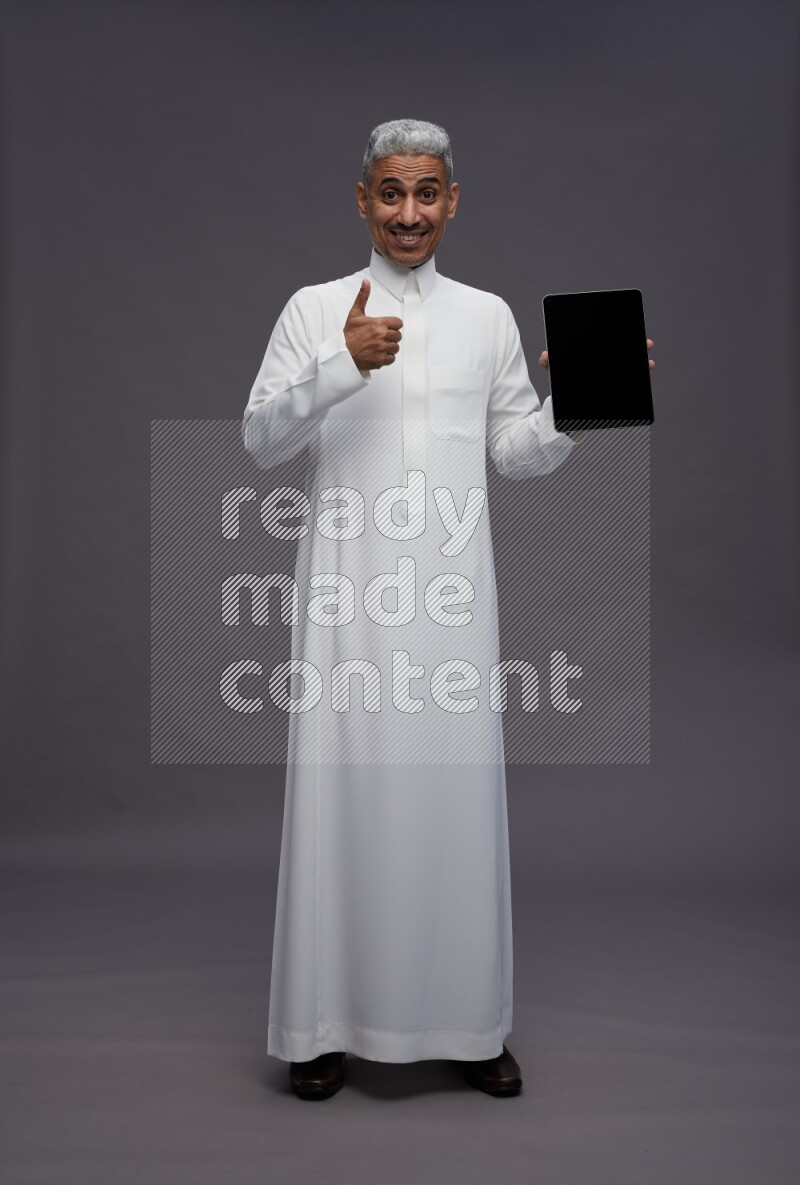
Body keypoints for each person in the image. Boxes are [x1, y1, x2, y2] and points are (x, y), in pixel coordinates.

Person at [241, 119, 655, 1101]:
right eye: (390, 192)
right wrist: (339, 363)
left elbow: (511, 451)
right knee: (342, 801)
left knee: (453, 802)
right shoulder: (313, 310)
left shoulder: (485, 317)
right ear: (362, 200)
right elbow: (260, 440)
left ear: (452, 201)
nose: (408, 212)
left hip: (452, 602)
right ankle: (321, 1028)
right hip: (347, 600)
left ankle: (468, 1027)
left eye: (426, 192)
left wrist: (576, 405)